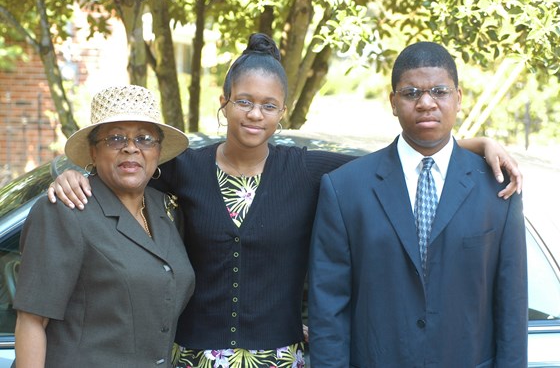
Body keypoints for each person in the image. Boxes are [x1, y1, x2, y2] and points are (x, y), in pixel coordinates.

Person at [48, 34, 523, 367]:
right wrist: (67, 170)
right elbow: (124, 163)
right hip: (193, 357)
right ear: (225, 100)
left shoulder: (310, 170)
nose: (255, 114)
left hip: (281, 358)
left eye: (269, 105)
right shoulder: (184, 167)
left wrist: (475, 145)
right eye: (244, 101)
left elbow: (403, 154)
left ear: (283, 113)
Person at [308, 41, 528, 367]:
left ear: (459, 97)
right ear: (393, 102)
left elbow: (512, 305)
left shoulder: (498, 187)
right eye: (411, 93)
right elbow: (328, 307)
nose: (426, 103)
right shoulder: (345, 188)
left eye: (439, 91)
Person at [13, 85, 195, 367]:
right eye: (115, 138)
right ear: (93, 152)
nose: (131, 147)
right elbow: (31, 321)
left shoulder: (168, 209)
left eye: (144, 138)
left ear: (158, 152)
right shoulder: (65, 210)